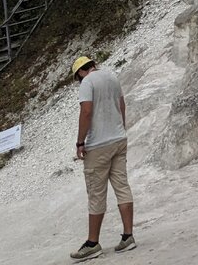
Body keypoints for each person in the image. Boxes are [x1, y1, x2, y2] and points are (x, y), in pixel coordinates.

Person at [70, 55, 136, 259]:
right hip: (118, 139)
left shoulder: (87, 82)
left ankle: (92, 243)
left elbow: (86, 112)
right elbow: (122, 105)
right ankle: (128, 237)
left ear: (81, 71)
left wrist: (80, 142)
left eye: (77, 77)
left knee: (96, 193)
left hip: (98, 145)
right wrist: (120, 129)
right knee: (122, 186)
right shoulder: (112, 76)